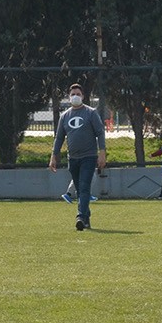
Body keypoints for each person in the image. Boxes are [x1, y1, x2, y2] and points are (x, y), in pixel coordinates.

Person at [48, 84, 106, 230]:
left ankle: (80, 216)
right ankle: (86, 217)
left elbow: (100, 133)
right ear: (69, 97)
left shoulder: (91, 113)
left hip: (89, 156)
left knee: (84, 186)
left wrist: (102, 152)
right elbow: (59, 137)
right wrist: (53, 156)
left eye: (78, 94)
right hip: (73, 158)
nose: (75, 96)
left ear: (83, 96)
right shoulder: (65, 116)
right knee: (80, 190)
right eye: (73, 94)